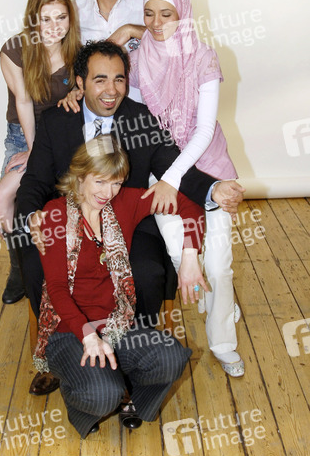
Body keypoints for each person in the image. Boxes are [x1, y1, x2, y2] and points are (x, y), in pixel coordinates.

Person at [16, 40, 244, 394]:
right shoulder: (56, 120)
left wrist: (213, 190)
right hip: (68, 222)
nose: (111, 90)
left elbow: (173, 168)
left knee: (149, 271)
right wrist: (31, 216)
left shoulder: (140, 118)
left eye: (119, 79)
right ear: (80, 82)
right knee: (32, 264)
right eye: (100, 80)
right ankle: (59, 353)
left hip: (127, 220)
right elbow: (34, 180)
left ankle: (133, 356)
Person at [33, 134, 205, 437]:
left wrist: (190, 257)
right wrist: (88, 336)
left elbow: (191, 208)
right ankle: (85, 397)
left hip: (116, 323)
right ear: (80, 176)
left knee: (172, 357)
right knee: (103, 395)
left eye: (116, 183)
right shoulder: (54, 215)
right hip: (69, 331)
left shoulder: (126, 202)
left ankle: (132, 399)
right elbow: (57, 288)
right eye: (99, 182)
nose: (108, 193)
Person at [127, 0, 244, 376]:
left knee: (219, 266)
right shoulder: (137, 60)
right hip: (161, 172)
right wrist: (163, 176)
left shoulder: (203, 57)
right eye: (148, 14)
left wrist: (173, 177)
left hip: (208, 170)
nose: (156, 23)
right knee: (182, 255)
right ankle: (220, 300)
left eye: (167, 14)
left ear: (183, 14)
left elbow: (204, 130)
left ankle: (223, 342)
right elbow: (142, 126)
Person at [0, 0, 80, 304]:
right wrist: (33, 151)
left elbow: (86, 92)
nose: (54, 27)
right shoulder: (14, 51)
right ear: (33, 20)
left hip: (62, 135)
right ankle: (19, 268)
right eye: (46, 19)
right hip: (24, 134)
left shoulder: (77, 52)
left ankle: (63, 267)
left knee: (55, 198)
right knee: (1, 198)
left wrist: (77, 92)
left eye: (61, 17)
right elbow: (25, 102)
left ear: (70, 18)